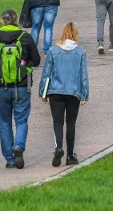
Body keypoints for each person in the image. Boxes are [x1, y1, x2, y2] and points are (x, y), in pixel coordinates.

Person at [0, 9, 41, 169]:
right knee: (21, 120)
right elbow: (36, 61)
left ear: (2, 21)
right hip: (21, 86)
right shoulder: (25, 37)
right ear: (16, 20)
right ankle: (18, 147)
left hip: (0, 87)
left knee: (4, 123)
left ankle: (10, 159)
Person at [39, 22, 89, 167]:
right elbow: (83, 76)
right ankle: (70, 155)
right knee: (71, 123)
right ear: (75, 35)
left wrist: (43, 92)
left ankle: (58, 147)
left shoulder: (53, 51)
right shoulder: (81, 52)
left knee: (58, 121)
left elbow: (46, 74)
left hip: (55, 91)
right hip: (74, 92)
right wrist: (85, 94)